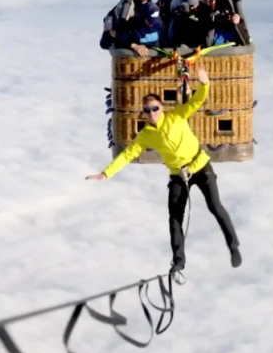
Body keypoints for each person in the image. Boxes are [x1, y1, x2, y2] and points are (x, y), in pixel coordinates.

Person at [85, 66, 242, 281]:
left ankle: (233, 246)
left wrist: (204, 83)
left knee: (215, 206)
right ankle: (178, 262)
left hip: (200, 165)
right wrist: (106, 173)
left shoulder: (176, 115)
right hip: (178, 174)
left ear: (161, 107)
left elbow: (196, 101)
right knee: (175, 217)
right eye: (147, 110)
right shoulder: (146, 134)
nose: (151, 113)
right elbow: (129, 153)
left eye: (154, 108)